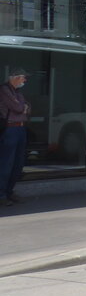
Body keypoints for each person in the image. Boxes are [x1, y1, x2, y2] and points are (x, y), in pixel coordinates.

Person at [0, 67, 32, 206]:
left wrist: (23, 106)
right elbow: (19, 108)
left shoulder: (17, 92)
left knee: (18, 163)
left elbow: (28, 107)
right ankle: (1, 194)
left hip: (20, 128)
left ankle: (9, 192)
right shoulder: (4, 90)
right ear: (15, 77)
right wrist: (22, 107)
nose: (24, 80)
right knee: (7, 163)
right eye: (23, 77)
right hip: (10, 129)